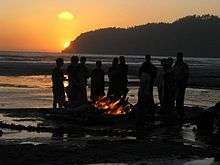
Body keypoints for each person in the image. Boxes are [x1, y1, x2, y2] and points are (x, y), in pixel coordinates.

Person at [174, 52, 189, 118]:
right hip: (177, 83)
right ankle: (178, 109)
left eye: (179, 56)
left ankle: (180, 109)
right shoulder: (176, 64)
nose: (178, 58)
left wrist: (183, 80)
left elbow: (186, 75)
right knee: (177, 97)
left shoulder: (184, 65)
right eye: (178, 56)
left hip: (181, 84)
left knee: (180, 97)